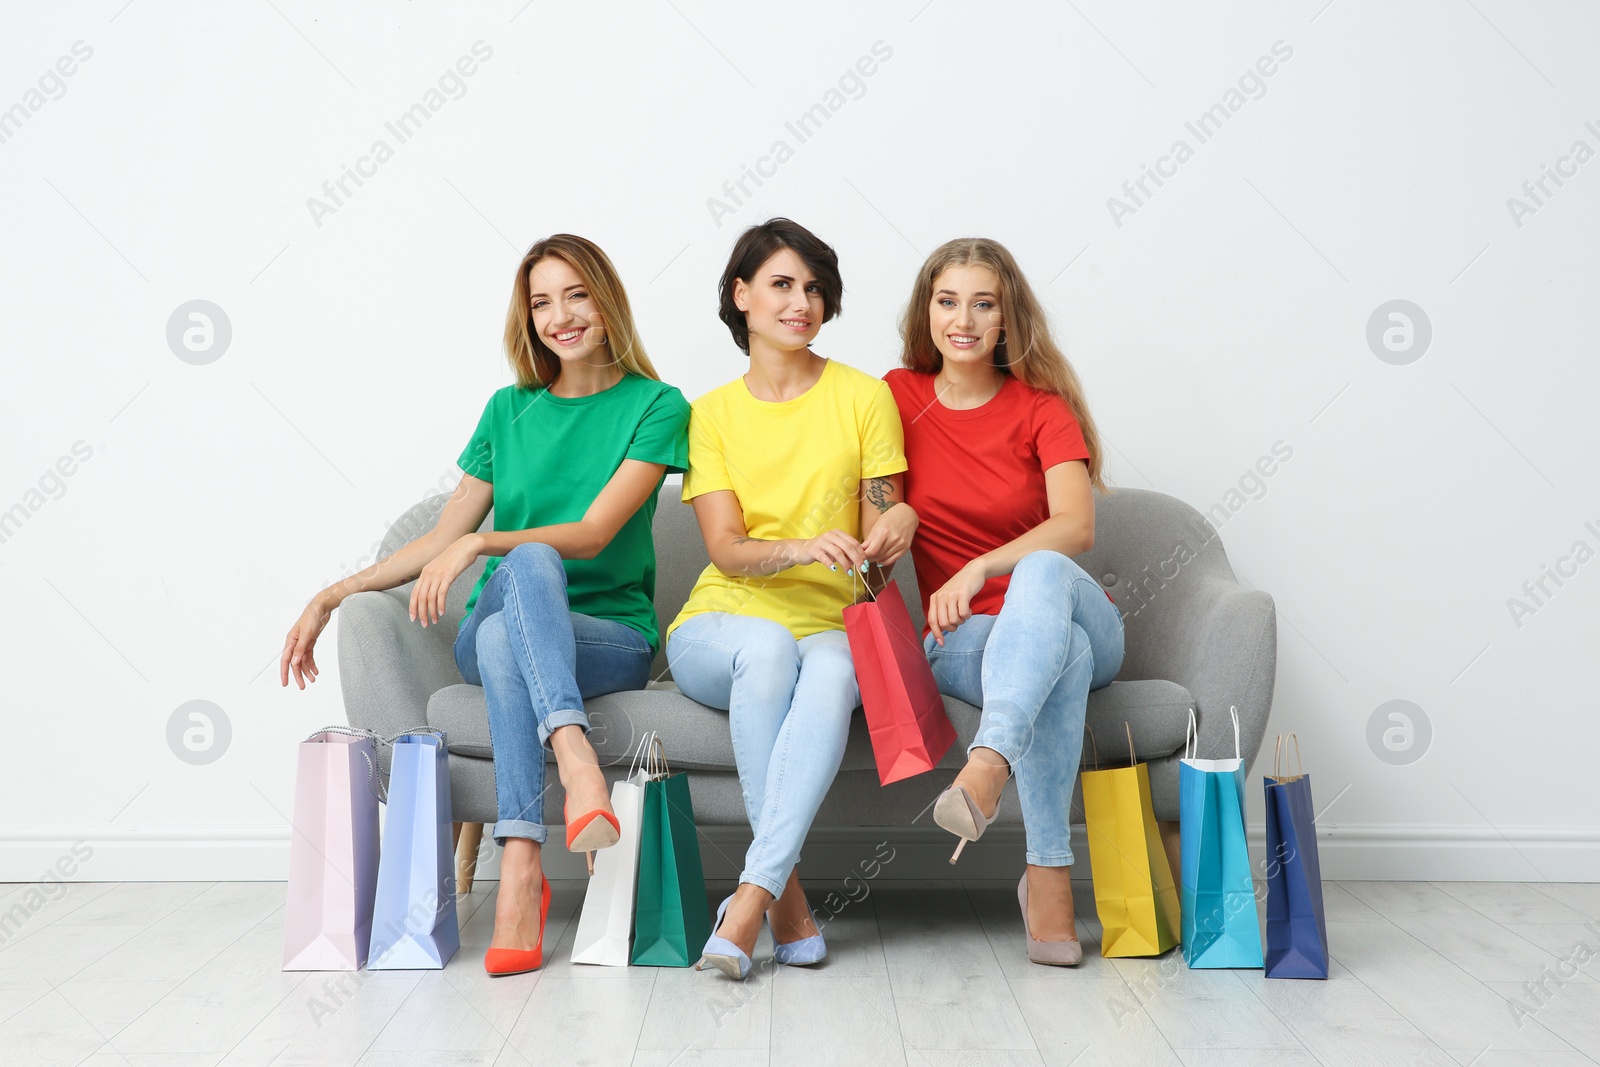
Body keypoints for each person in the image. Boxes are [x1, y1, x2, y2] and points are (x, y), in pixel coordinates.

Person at [280, 234, 689, 976]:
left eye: (575, 295)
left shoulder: (657, 405)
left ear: (607, 301)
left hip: (611, 638)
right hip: (506, 618)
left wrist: (480, 543)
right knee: (522, 575)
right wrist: (334, 592)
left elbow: (595, 533)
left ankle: (521, 869)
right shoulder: (508, 409)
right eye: (540, 302)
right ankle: (575, 759)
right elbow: (439, 535)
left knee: (509, 629)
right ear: (526, 318)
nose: (559, 316)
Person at [665, 218, 914, 980]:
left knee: (835, 671)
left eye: (813, 288)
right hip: (722, 625)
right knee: (769, 649)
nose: (800, 301)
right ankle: (778, 894)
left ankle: (755, 898)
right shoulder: (709, 413)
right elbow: (726, 548)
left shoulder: (866, 398)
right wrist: (807, 545)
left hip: (835, 625)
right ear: (741, 296)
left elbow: (874, 575)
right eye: (781, 284)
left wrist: (891, 530)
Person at [884, 237, 1123, 967]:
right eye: (947, 300)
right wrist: (889, 516)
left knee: (1044, 571)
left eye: (983, 303)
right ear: (926, 311)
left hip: (1070, 606)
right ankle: (1047, 876)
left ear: (1007, 317)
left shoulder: (1042, 408)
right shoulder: (897, 396)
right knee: (1064, 657)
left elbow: (1076, 526)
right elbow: (873, 497)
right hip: (964, 640)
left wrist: (980, 564)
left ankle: (987, 767)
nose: (963, 319)